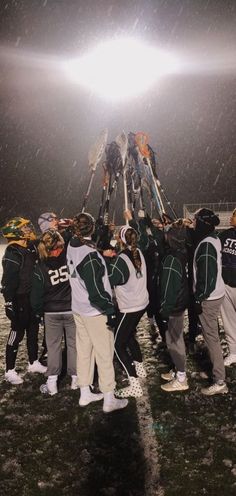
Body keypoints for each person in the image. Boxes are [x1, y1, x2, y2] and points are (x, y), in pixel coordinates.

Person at [66, 212, 128, 413]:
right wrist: (109, 309)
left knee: (84, 350)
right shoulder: (89, 255)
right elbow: (96, 291)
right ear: (90, 228)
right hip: (94, 310)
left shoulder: (72, 244)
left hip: (79, 307)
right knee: (104, 353)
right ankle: (109, 397)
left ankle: (85, 392)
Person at [31, 229, 77, 395]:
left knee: (53, 347)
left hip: (51, 312)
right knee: (74, 345)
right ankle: (75, 380)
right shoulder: (70, 259)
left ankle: (52, 383)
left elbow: (35, 298)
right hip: (71, 309)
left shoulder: (40, 267)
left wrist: (40, 312)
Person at [105, 225, 149, 398]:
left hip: (130, 306)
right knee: (129, 334)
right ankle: (140, 367)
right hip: (141, 303)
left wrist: (107, 260)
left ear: (121, 240)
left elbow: (112, 278)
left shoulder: (122, 258)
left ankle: (134, 384)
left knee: (118, 344)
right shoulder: (139, 252)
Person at [1, 217, 47, 385]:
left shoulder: (28, 247)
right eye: (24, 227)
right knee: (17, 332)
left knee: (33, 330)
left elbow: (42, 241)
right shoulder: (13, 252)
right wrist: (8, 302)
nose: (28, 229)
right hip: (18, 298)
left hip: (31, 297)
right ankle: (10, 370)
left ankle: (33, 362)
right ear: (15, 232)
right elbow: (7, 282)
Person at [192, 208, 227, 395]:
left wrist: (199, 298)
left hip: (209, 297)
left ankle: (220, 380)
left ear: (203, 223)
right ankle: (215, 371)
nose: (194, 224)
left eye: (196, 221)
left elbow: (208, 276)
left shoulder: (206, 245)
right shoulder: (213, 238)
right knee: (211, 336)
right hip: (215, 294)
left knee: (212, 339)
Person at [159, 220, 189, 392]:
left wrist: (165, 309)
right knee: (174, 340)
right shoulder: (181, 251)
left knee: (174, 342)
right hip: (181, 301)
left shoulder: (171, 260)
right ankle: (178, 370)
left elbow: (169, 287)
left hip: (175, 306)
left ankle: (182, 377)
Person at [218, 207, 236, 366]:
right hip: (227, 285)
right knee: (229, 321)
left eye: (234, 216)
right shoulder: (225, 234)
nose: (231, 218)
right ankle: (233, 352)